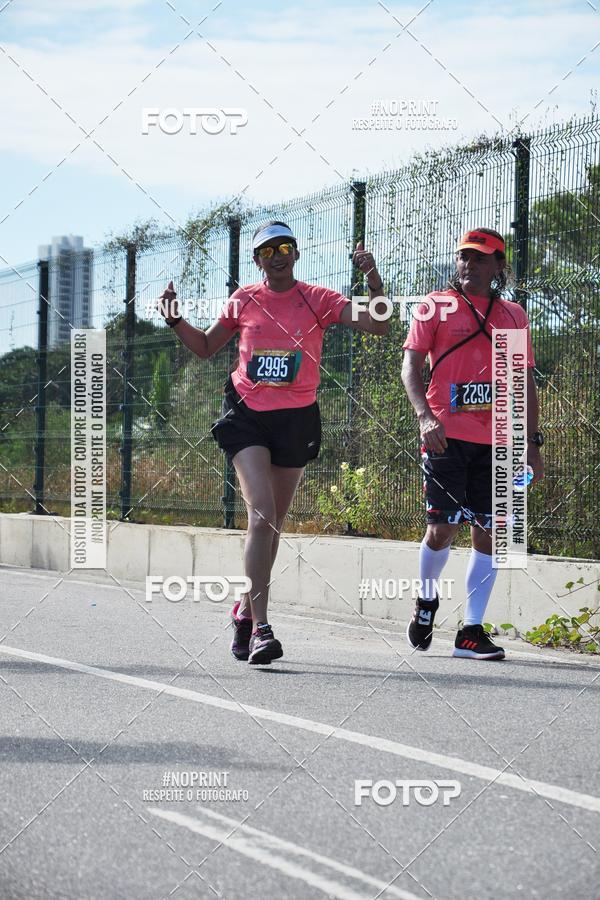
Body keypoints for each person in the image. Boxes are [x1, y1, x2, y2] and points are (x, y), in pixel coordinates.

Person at [158, 220, 388, 664]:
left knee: (273, 524)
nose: (277, 255)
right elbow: (207, 346)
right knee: (261, 515)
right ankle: (263, 628)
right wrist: (175, 320)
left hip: (296, 419)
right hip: (246, 416)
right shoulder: (244, 299)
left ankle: (244, 612)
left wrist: (372, 277)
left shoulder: (317, 299)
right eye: (267, 250)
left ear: (297, 254)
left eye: (285, 247)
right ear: (257, 260)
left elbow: (378, 325)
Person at [401, 228, 544, 660]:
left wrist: (532, 443)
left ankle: (471, 632)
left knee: (492, 532)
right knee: (442, 529)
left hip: (497, 440)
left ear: (498, 266)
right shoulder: (436, 307)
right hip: (445, 435)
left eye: (481, 258)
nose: (469, 265)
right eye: (464, 256)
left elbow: (523, 383)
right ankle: (427, 601)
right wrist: (424, 416)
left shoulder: (512, 315)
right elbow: (409, 367)